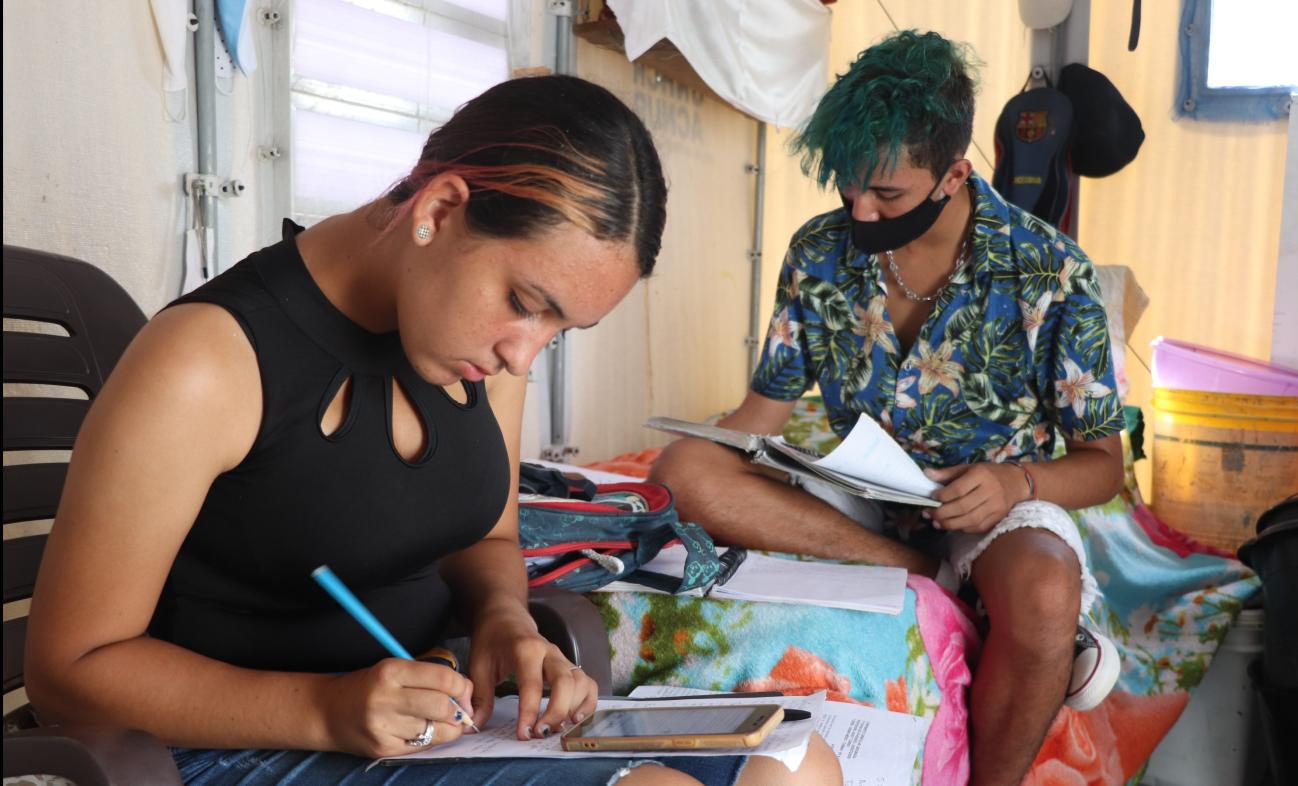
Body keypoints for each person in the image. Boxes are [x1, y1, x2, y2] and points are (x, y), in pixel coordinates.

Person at [24, 75, 839, 786]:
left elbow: (487, 538)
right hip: (236, 746)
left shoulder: (481, 355)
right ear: (440, 209)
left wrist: (504, 621)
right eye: (527, 303)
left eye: (561, 329)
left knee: (803, 766)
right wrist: (324, 708)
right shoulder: (207, 363)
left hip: (433, 727)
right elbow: (69, 673)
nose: (527, 354)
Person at [651, 31, 1125, 786]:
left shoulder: (1049, 269)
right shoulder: (819, 253)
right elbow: (762, 416)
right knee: (680, 467)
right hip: (859, 503)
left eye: (888, 194)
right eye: (847, 191)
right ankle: (927, 575)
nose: (861, 214)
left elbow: (1105, 468)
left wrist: (1016, 486)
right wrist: (692, 471)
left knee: (1042, 592)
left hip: (988, 508)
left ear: (954, 173)